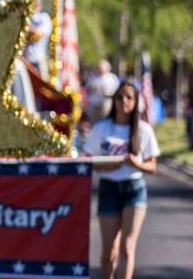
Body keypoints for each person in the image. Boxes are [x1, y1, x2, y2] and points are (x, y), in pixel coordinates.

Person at [83, 81, 159, 279]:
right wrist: (106, 165)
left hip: (134, 189)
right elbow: (87, 161)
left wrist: (137, 164)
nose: (123, 101)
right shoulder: (101, 128)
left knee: (127, 247)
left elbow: (152, 166)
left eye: (128, 97)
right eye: (119, 97)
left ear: (135, 102)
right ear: (114, 100)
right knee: (109, 252)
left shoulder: (143, 130)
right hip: (108, 188)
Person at [23, 0, 53, 73]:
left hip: (39, 59)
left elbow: (39, 33)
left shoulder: (44, 17)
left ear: (40, 6)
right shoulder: (26, 18)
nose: (34, 7)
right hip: (26, 60)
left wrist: (26, 26)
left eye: (36, 4)